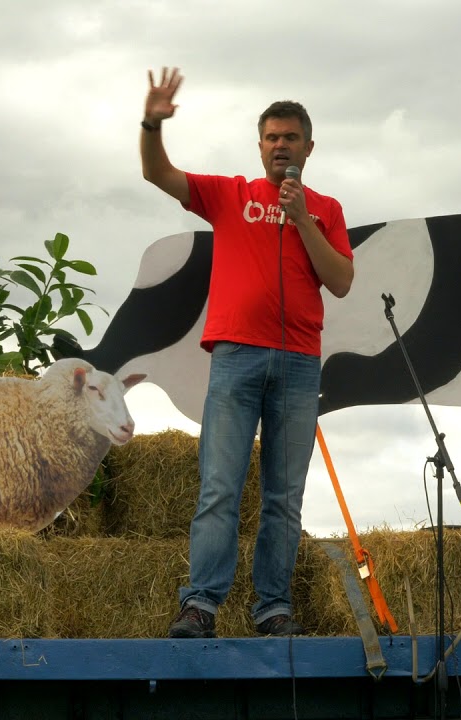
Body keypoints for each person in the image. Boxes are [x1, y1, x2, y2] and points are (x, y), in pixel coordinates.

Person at [139, 67, 355, 638]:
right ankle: (201, 606)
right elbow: (156, 172)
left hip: (299, 363)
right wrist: (151, 125)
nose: (280, 145)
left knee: (284, 498)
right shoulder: (230, 194)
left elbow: (341, 281)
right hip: (236, 357)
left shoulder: (326, 210)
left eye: (290, 137)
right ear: (259, 146)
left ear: (309, 146)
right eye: (271, 137)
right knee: (220, 487)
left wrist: (302, 217)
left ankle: (273, 609)